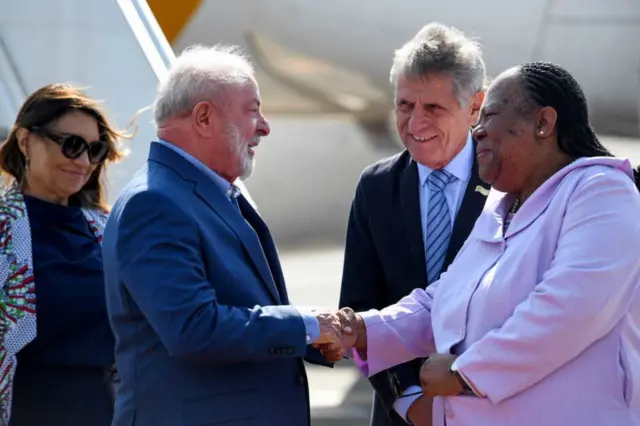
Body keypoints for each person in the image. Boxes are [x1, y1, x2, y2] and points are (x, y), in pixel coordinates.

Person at [329, 62, 640, 425]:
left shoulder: (601, 190)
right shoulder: (502, 205)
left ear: (543, 123)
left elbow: (573, 306)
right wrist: (364, 330)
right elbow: (445, 297)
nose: (477, 132)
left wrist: (466, 372)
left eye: (489, 115)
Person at [101, 44, 347, 426]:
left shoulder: (201, 192)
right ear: (203, 117)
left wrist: (314, 339)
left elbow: (244, 304)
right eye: (253, 110)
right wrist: (306, 325)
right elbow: (193, 328)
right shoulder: (154, 203)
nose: (265, 126)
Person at [338, 22, 488, 426]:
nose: (415, 123)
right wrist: (408, 400)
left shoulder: (510, 183)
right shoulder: (377, 187)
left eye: (433, 108)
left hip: (492, 406)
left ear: (475, 106)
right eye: (405, 105)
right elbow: (360, 305)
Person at [0, 83, 126, 425]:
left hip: (105, 411)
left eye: (95, 150)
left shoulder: (109, 229)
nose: (84, 162)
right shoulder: (3, 229)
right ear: (26, 141)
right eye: (71, 145)